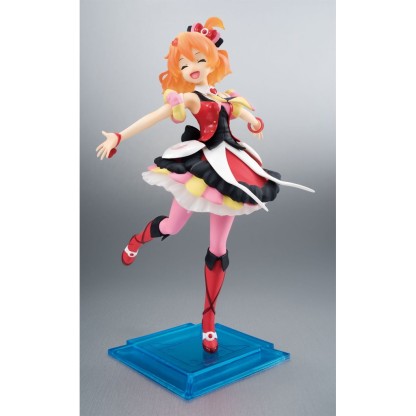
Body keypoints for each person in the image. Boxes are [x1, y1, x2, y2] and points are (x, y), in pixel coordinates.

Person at [96, 17, 314, 353]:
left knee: (219, 248)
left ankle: (208, 320)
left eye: (198, 59)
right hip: (202, 166)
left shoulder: (226, 96)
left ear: (212, 60)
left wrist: (255, 122)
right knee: (172, 226)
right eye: (184, 64)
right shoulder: (190, 99)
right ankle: (137, 240)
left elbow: (247, 116)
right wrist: (119, 136)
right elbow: (154, 117)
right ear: (178, 71)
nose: (193, 68)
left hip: (231, 165)